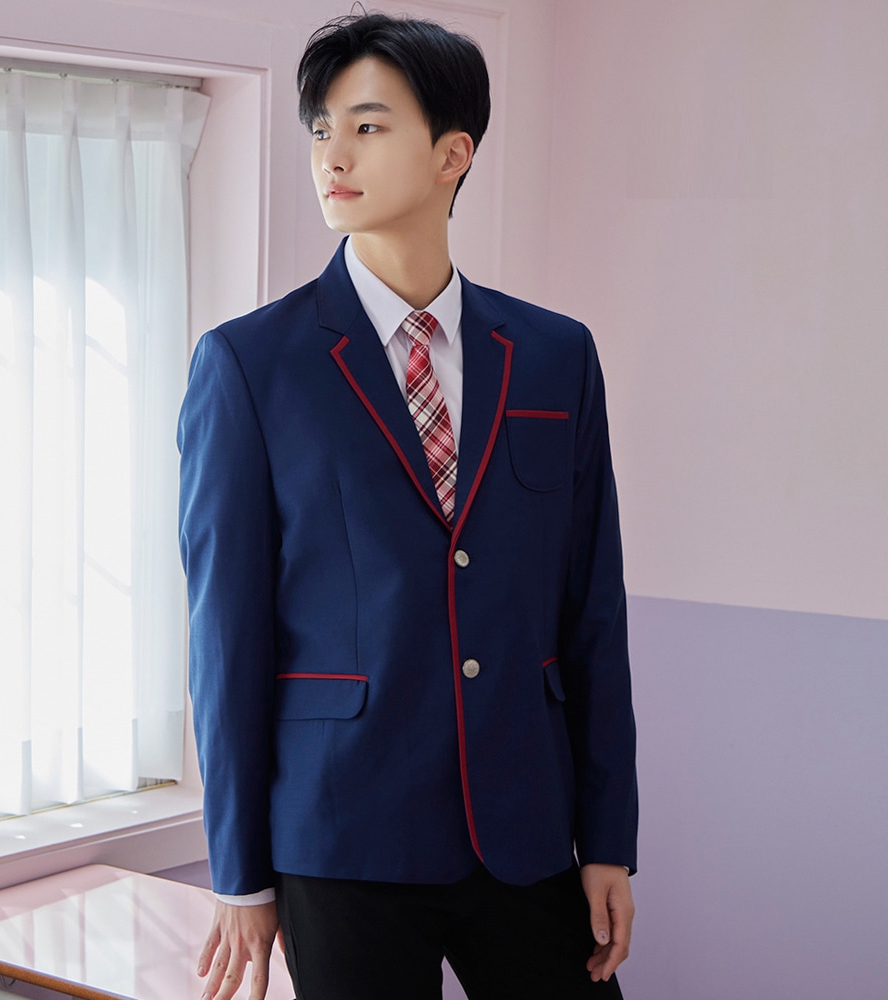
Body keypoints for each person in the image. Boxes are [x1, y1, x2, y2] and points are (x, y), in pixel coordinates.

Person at [177, 12, 637, 1000]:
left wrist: (608, 837)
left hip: (524, 826)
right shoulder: (251, 366)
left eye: (368, 126)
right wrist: (239, 872)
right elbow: (226, 636)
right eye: (320, 129)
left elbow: (593, 612)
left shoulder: (555, 356)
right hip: (343, 834)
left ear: (451, 155)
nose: (332, 154)